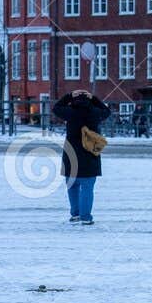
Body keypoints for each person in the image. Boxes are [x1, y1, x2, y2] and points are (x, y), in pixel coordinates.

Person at [52, 89, 111, 225]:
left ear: (74, 100)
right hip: (90, 156)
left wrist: (68, 95)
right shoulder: (95, 113)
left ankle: (75, 214)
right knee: (87, 188)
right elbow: (107, 111)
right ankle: (85, 217)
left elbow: (56, 108)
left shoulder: (70, 113)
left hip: (71, 155)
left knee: (72, 186)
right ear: (89, 101)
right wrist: (94, 98)